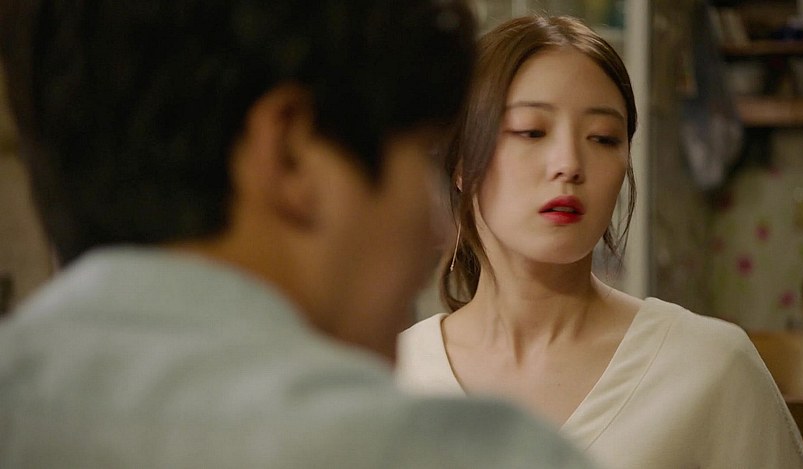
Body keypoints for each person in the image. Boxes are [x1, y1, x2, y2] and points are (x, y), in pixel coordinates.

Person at [0, 2, 597, 467]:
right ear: (288, 153)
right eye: (420, 158)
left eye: (604, 137)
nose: (439, 230)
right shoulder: (466, 457)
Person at [396, 15, 803, 469]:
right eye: (532, 131)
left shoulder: (710, 367)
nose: (569, 163)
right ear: (461, 162)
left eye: (603, 138)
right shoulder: (393, 375)